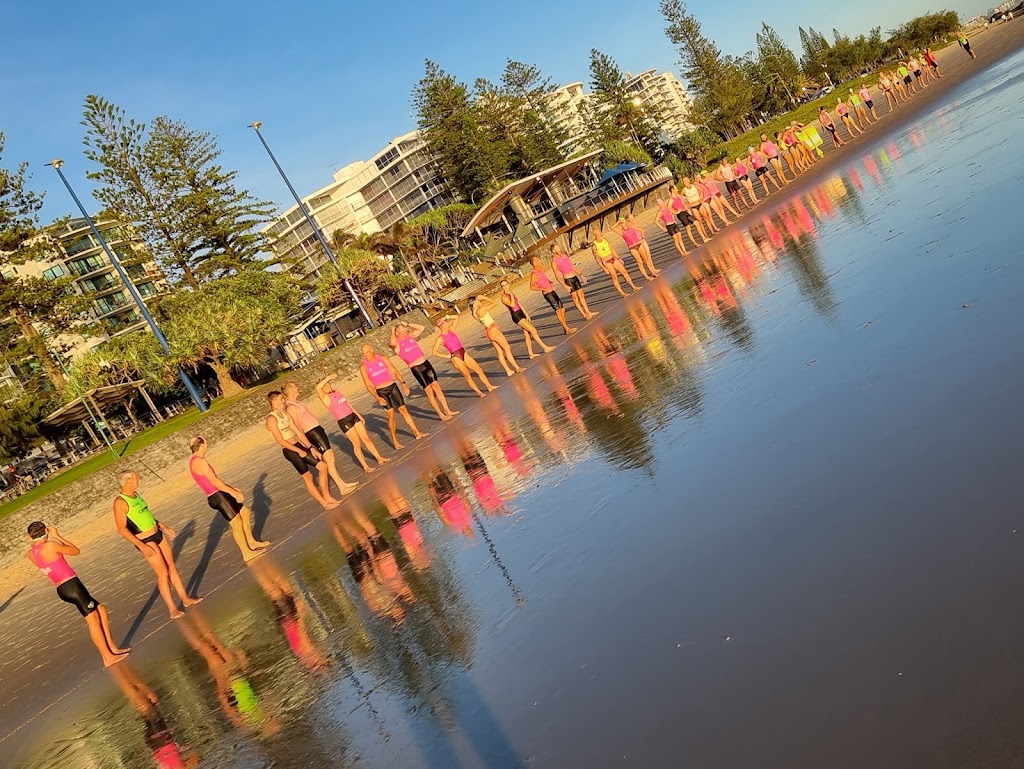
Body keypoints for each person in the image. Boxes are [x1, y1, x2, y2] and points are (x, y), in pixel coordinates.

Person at [26, 521, 130, 666]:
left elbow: (45, 566)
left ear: (30, 537)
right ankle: (107, 657)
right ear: (46, 531)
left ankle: (112, 647)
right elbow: (75, 550)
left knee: (101, 610)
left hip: (61, 589)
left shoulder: (30, 553)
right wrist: (58, 536)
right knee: (92, 620)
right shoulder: (50, 545)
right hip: (72, 586)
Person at [114, 471, 201, 620]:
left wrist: (164, 527)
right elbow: (122, 529)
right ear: (128, 482)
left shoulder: (136, 495)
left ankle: (185, 599)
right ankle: (172, 609)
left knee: (171, 566)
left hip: (157, 534)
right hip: (145, 540)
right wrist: (141, 545)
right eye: (135, 478)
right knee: (162, 573)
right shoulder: (120, 502)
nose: (138, 479)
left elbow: (148, 516)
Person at [188, 436, 268, 563]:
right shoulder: (200, 462)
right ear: (202, 445)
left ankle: (251, 542)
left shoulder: (193, 460)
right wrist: (232, 492)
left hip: (218, 493)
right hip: (218, 496)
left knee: (245, 512)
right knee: (236, 524)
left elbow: (212, 480)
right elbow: (213, 481)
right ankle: (246, 553)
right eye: (206, 441)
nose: (207, 443)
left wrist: (231, 488)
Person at [266, 391, 343, 509]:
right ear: (274, 401)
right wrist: (298, 451)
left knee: (323, 466)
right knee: (308, 477)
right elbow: (281, 441)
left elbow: (298, 433)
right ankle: (324, 503)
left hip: (298, 445)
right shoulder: (271, 419)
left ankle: (327, 497)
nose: (283, 401)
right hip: (290, 451)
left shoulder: (287, 415)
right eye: (281, 399)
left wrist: (311, 448)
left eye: (283, 398)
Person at [283, 382, 358, 495]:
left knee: (330, 457)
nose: (298, 387)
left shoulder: (296, 403)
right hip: (312, 432)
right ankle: (341, 487)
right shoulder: (291, 407)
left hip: (316, 430)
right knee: (329, 457)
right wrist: (306, 444)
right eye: (295, 386)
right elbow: (296, 427)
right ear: (290, 390)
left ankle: (342, 483)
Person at [314, 373, 388, 473]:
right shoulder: (325, 398)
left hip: (353, 416)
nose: (327, 386)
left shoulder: (337, 392)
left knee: (366, 438)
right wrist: (328, 378)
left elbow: (347, 403)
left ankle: (379, 458)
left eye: (328, 384)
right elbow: (317, 388)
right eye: (325, 385)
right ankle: (365, 466)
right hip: (344, 420)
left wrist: (358, 415)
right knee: (356, 443)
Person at [358, 344, 426, 450]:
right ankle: (395, 441)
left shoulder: (382, 358)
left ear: (371, 350)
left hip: (392, 386)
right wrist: (377, 397)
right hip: (381, 391)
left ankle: (417, 432)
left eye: (366, 352)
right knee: (391, 415)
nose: (365, 355)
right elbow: (368, 384)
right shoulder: (363, 367)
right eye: (363, 353)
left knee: (403, 409)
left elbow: (394, 370)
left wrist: (403, 384)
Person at [390, 322, 458, 421]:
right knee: (429, 391)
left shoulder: (410, 336)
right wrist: (392, 331)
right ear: (397, 333)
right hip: (416, 368)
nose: (404, 331)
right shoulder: (397, 344)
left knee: (437, 387)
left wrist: (408, 323)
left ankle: (447, 410)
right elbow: (392, 343)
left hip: (426, 363)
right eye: (401, 330)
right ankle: (441, 414)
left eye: (404, 329)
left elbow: (422, 327)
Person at [431, 315, 498, 398]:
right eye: (445, 323)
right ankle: (478, 392)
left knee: (479, 370)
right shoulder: (440, 338)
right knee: (467, 375)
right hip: (455, 356)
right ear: (441, 326)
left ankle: (489, 386)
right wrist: (446, 356)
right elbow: (434, 352)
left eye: (446, 322)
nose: (447, 324)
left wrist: (445, 317)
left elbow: (456, 317)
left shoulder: (451, 330)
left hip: (463, 352)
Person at [500, 279, 557, 358]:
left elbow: (518, 303)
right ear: (501, 287)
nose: (505, 287)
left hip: (521, 313)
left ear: (508, 284)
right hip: (516, 315)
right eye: (503, 286)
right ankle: (545, 347)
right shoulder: (504, 297)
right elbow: (512, 305)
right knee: (533, 330)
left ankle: (530, 353)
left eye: (506, 284)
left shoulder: (511, 293)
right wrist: (510, 294)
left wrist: (526, 314)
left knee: (527, 334)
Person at [470, 295, 523, 377]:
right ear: (475, 302)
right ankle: (517, 367)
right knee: (507, 348)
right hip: (493, 330)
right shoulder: (481, 310)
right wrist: (484, 298)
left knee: (500, 352)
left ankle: (508, 371)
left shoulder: (474, 313)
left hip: (488, 331)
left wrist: (479, 302)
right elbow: (494, 303)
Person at [550, 243, 596, 320]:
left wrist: (581, 275)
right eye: (557, 248)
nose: (559, 249)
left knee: (581, 295)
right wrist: (564, 285)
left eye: (559, 247)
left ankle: (588, 311)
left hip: (574, 277)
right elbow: (557, 276)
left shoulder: (564, 256)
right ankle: (584, 314)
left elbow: (572, 266)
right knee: (575, 298)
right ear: (553, 250)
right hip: (568, 280)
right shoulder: (554, 262)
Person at [529, 256, 575, 334]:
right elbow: (532, 286)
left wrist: (551, 282)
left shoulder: (541, 270)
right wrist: (544, 289)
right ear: (534, 263)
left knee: (562, 309)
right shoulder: (534, 273)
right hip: (547, 294)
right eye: (537, 260)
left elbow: (544, 280)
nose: (539, 261)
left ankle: (565, 327)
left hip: (552, 291)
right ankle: (566, 328)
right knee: (558, 311)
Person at [591, 226, 640, 297]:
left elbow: (611, 249)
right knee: (614, 276)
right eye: (597, 235)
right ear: (594, 236)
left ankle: (633, 286)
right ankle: (622, 292)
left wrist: (618, 257)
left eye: (599, 234)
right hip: (606, 261)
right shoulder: (594, 245)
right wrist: (603, 268)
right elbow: (597, 258)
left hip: (612, 258)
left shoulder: (605, 240)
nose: (599, 236)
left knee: (624, 272)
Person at [612, 215, 660, 281]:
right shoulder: (621, 231)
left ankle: (653, 272)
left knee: (646, 259)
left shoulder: (630, 226)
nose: (622, 224)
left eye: (623, 222)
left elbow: (641, 230)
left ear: (625, 222)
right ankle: (646, 276)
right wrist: (618, 222)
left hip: (638, 244)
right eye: (621, 223)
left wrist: (642, 238)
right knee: (639, 262)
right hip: (632, 247)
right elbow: (612, 228)